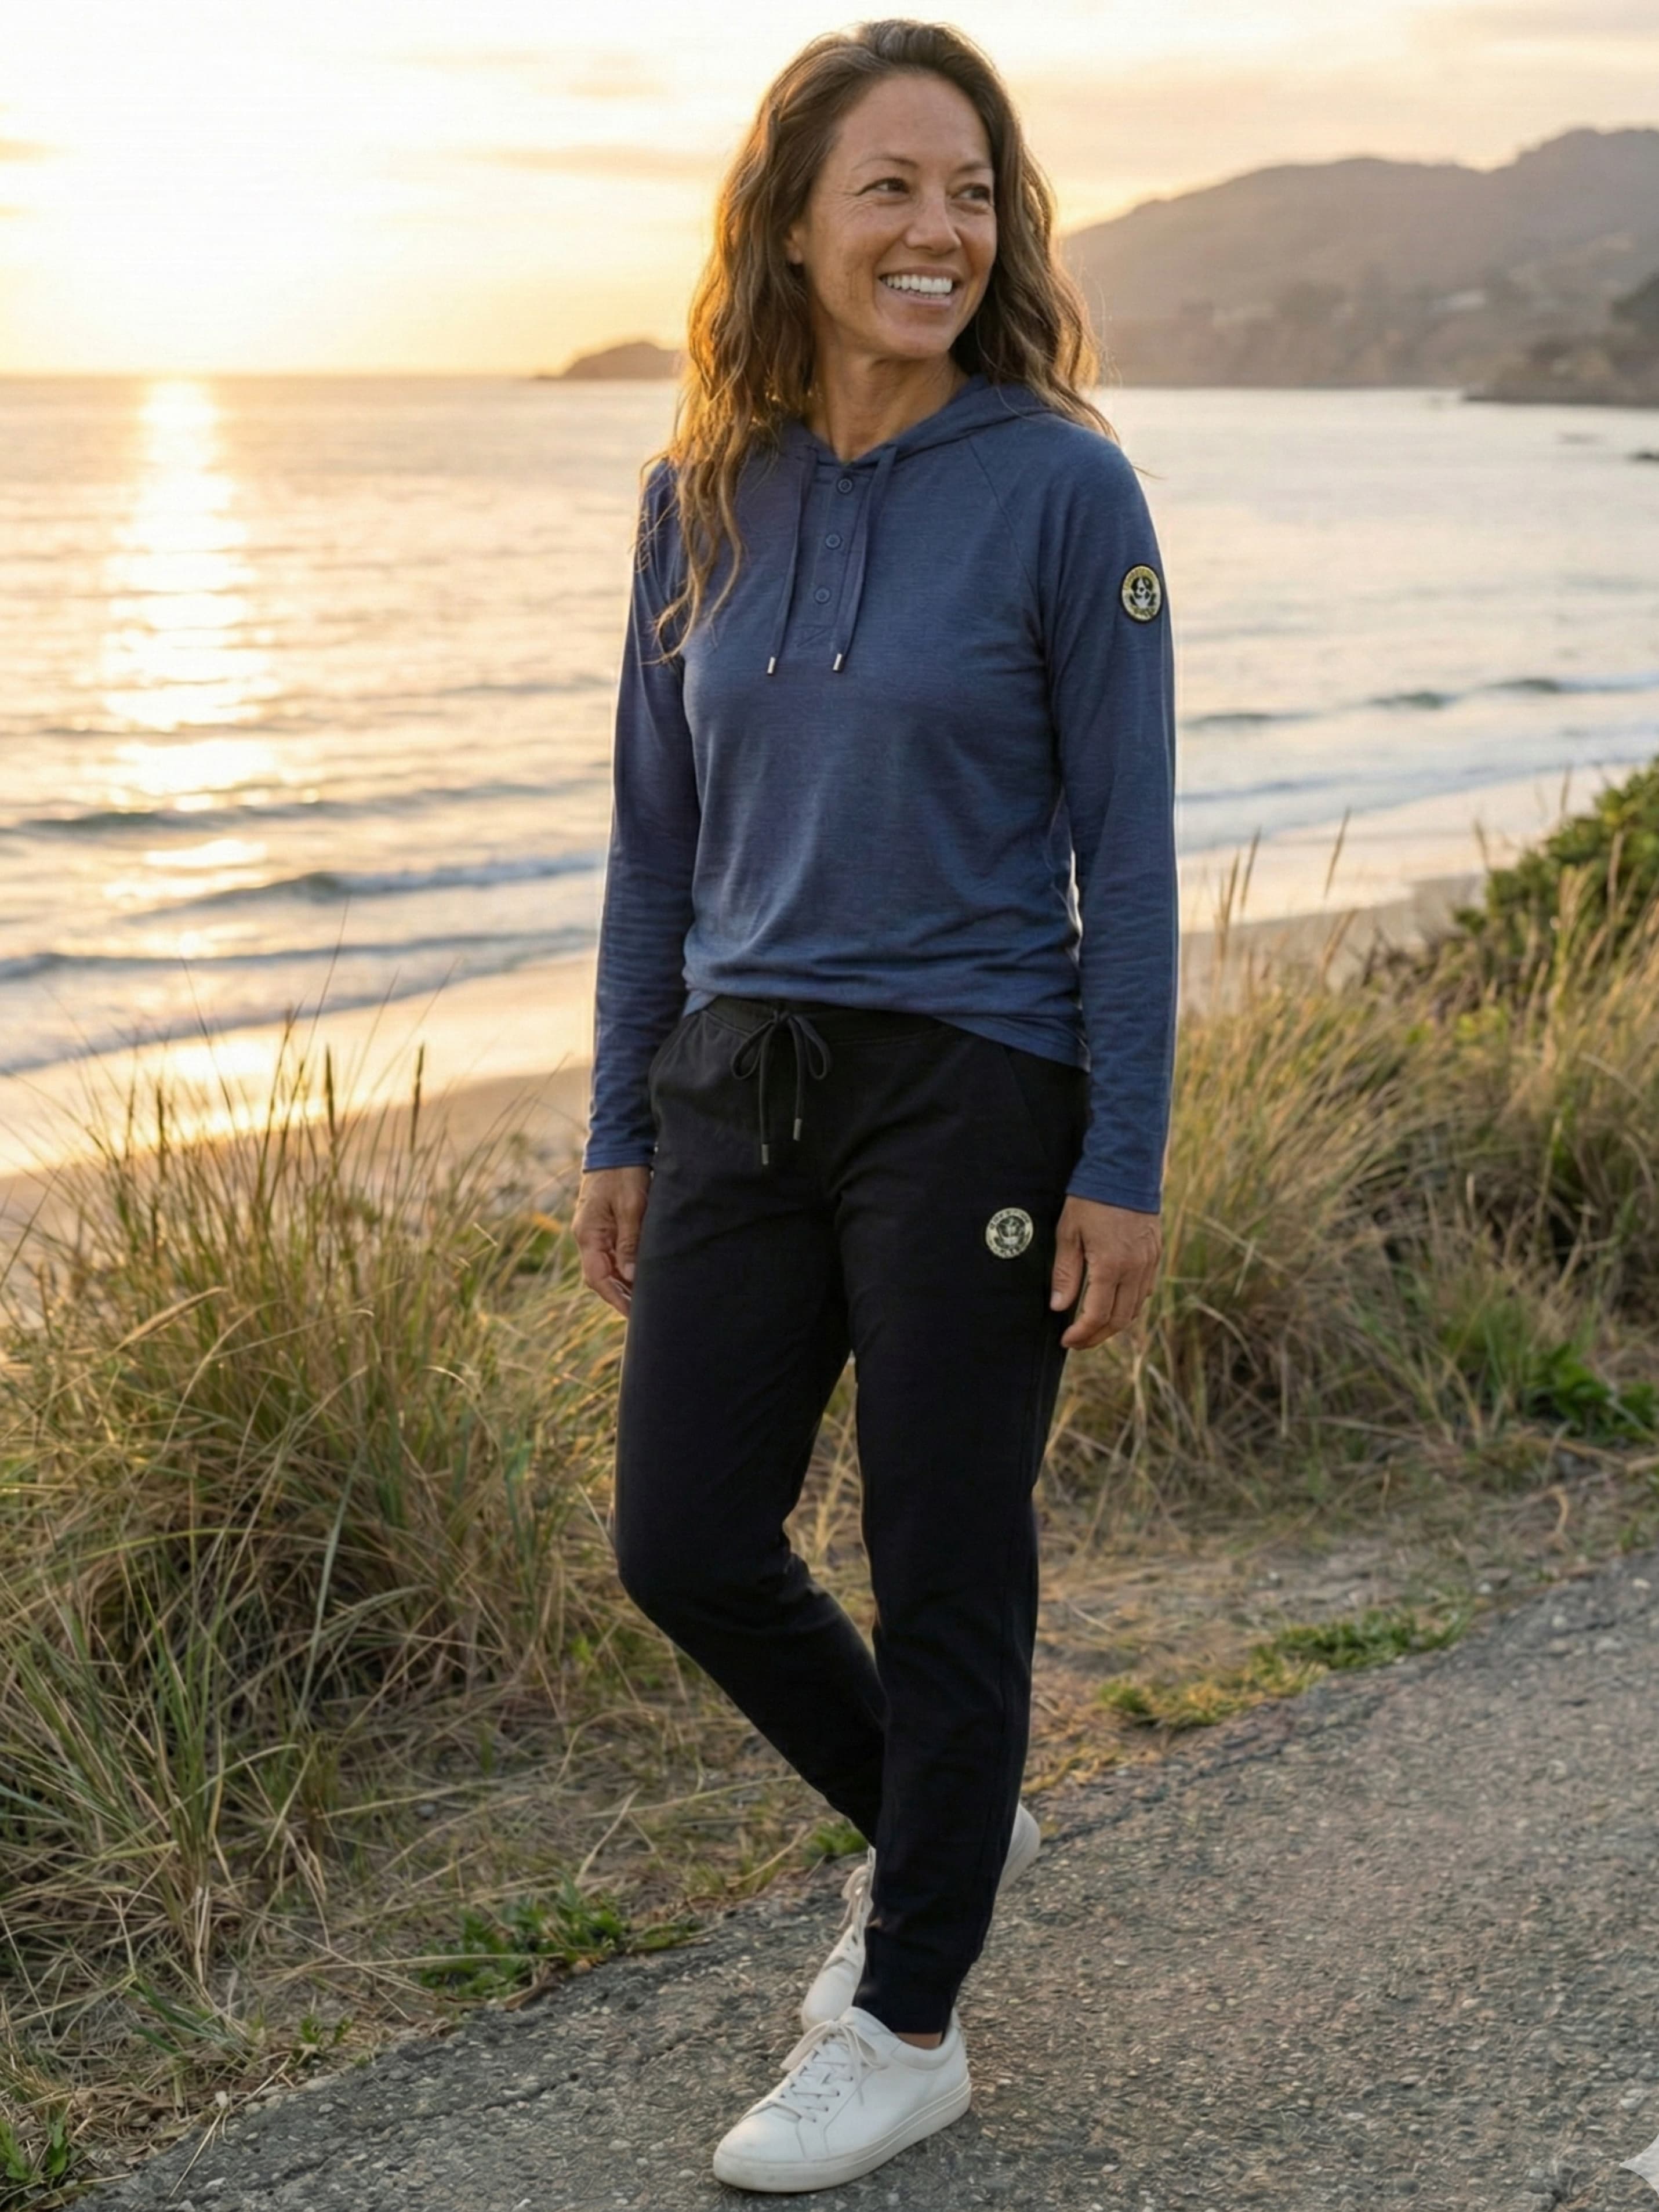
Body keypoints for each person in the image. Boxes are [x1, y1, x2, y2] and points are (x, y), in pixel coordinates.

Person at [572, 17, 1176, 2194]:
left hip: (976, 1087)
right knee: (687, 1540)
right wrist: (624, 1116)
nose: (941, 230)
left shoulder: (1063, 484)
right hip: (738, 1076)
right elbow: (658, 840)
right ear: (794, 222)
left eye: (975, 191)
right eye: (894, 189)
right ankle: (947, 1823)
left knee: (946, 1561)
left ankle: (908, 2015)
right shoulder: (698, 493)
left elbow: (1132, 844)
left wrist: (1123, 1159)